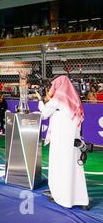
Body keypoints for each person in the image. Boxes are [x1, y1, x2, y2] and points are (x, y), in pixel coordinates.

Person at [35, 76, 89, 209]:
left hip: (61, 137)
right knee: (73, 165)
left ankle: (62, 196)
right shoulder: (73, 99)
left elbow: (45, 114)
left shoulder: (57, 100)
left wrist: (40, 100)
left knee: (60, 164)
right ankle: (81, 198)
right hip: (72, 137)